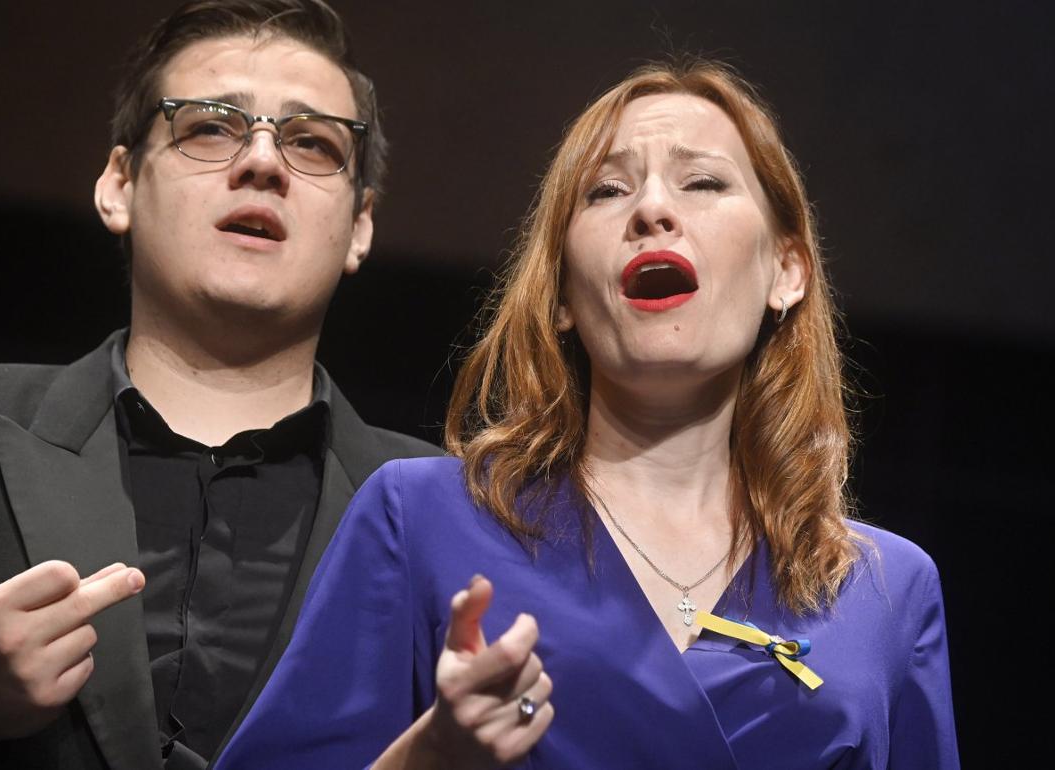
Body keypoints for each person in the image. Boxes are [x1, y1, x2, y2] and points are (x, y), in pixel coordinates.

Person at [215, 57, 960, 769]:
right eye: (606, 192)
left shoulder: (888, 591)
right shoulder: (419, 520)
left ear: (786, 271)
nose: (653, 210)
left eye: (702, 181)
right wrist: (430, 760)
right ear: (565, 295)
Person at [0, 1, 439, 768]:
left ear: (360, 225)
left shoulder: (445, 510)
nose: (261, 161)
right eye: (209, 126)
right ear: (118, 184)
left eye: (313, 143)